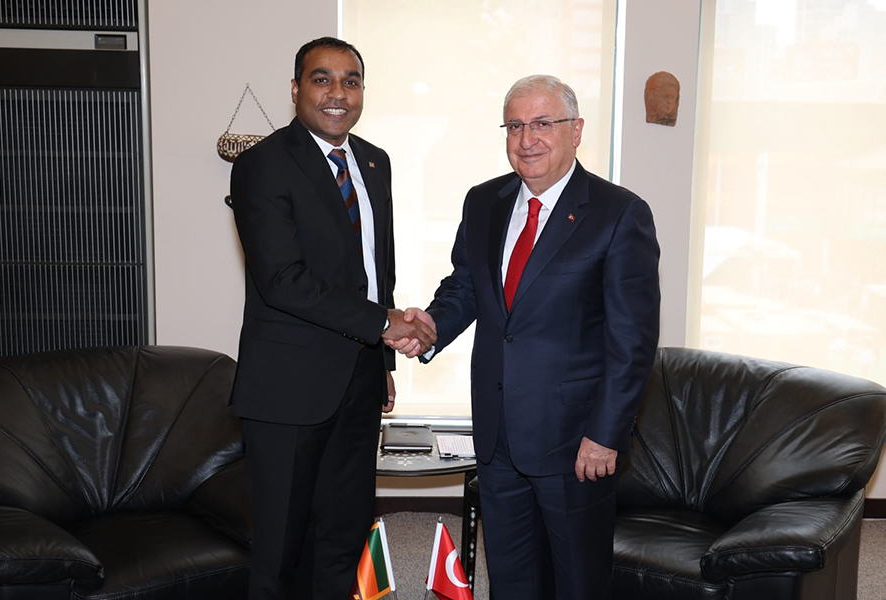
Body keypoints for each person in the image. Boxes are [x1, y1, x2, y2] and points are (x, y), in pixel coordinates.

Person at [392, 75, 660, 598]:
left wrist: (606, 432)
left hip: (576, 441)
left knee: (577, 580)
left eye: (542, 123)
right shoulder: (484, 201)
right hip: (496, 437)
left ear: (576, 130)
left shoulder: (619, 213)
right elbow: (467, 287)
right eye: (515, 125)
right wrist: (429, 328)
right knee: (512, 579)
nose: (527, 138)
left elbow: (633, 341)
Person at [228, 37, 435, 600]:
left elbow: (373, 272)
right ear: (296, 89)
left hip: (360, 381)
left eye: (351, 80)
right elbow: (282, 280)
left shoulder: (374, 161)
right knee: (280, 549)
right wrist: (383, 323)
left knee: (343, 536)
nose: (338, 93)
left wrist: (382, 357)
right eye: (322, 79)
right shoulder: (261, 165)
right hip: (288, 390)